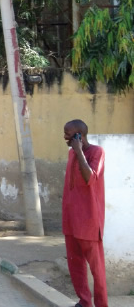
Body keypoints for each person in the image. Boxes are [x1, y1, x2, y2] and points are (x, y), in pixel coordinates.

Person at [62, 119, 107, 307]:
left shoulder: (96, 152)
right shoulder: (72, 153)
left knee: (97, 270)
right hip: (71, 220)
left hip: (89, 221)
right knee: (75, 265)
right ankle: (84, 302)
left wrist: (79, 151)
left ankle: (101, 304)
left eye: (69, 134)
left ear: (80, 135)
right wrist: (76, 151)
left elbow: (90, 178)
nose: (65, 137)